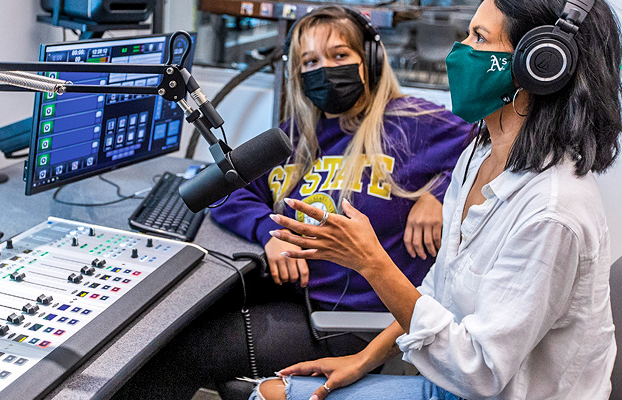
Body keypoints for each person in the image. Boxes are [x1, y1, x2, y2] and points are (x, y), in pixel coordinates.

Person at [254, 0, 622, 399]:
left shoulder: (553, 212)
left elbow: (481, 374)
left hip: (489, 389)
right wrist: (365, 357)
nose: (459, 50)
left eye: (478, 38)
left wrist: (370, 261)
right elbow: (439, 292)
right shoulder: (479, 155)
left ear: (540, 65)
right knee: (272, 390)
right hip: (454, 380)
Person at [112, 6, 471, 400]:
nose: (325, 69)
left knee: (173, 354)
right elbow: (230, 189)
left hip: (343, 318)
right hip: (291, 294)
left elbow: (496, 152)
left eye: (339, 56)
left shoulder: (416, 122)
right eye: (310, 61)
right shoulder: (298, 134)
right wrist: (269, 232)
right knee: (161, 327)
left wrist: (439, 195)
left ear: (369, 60)